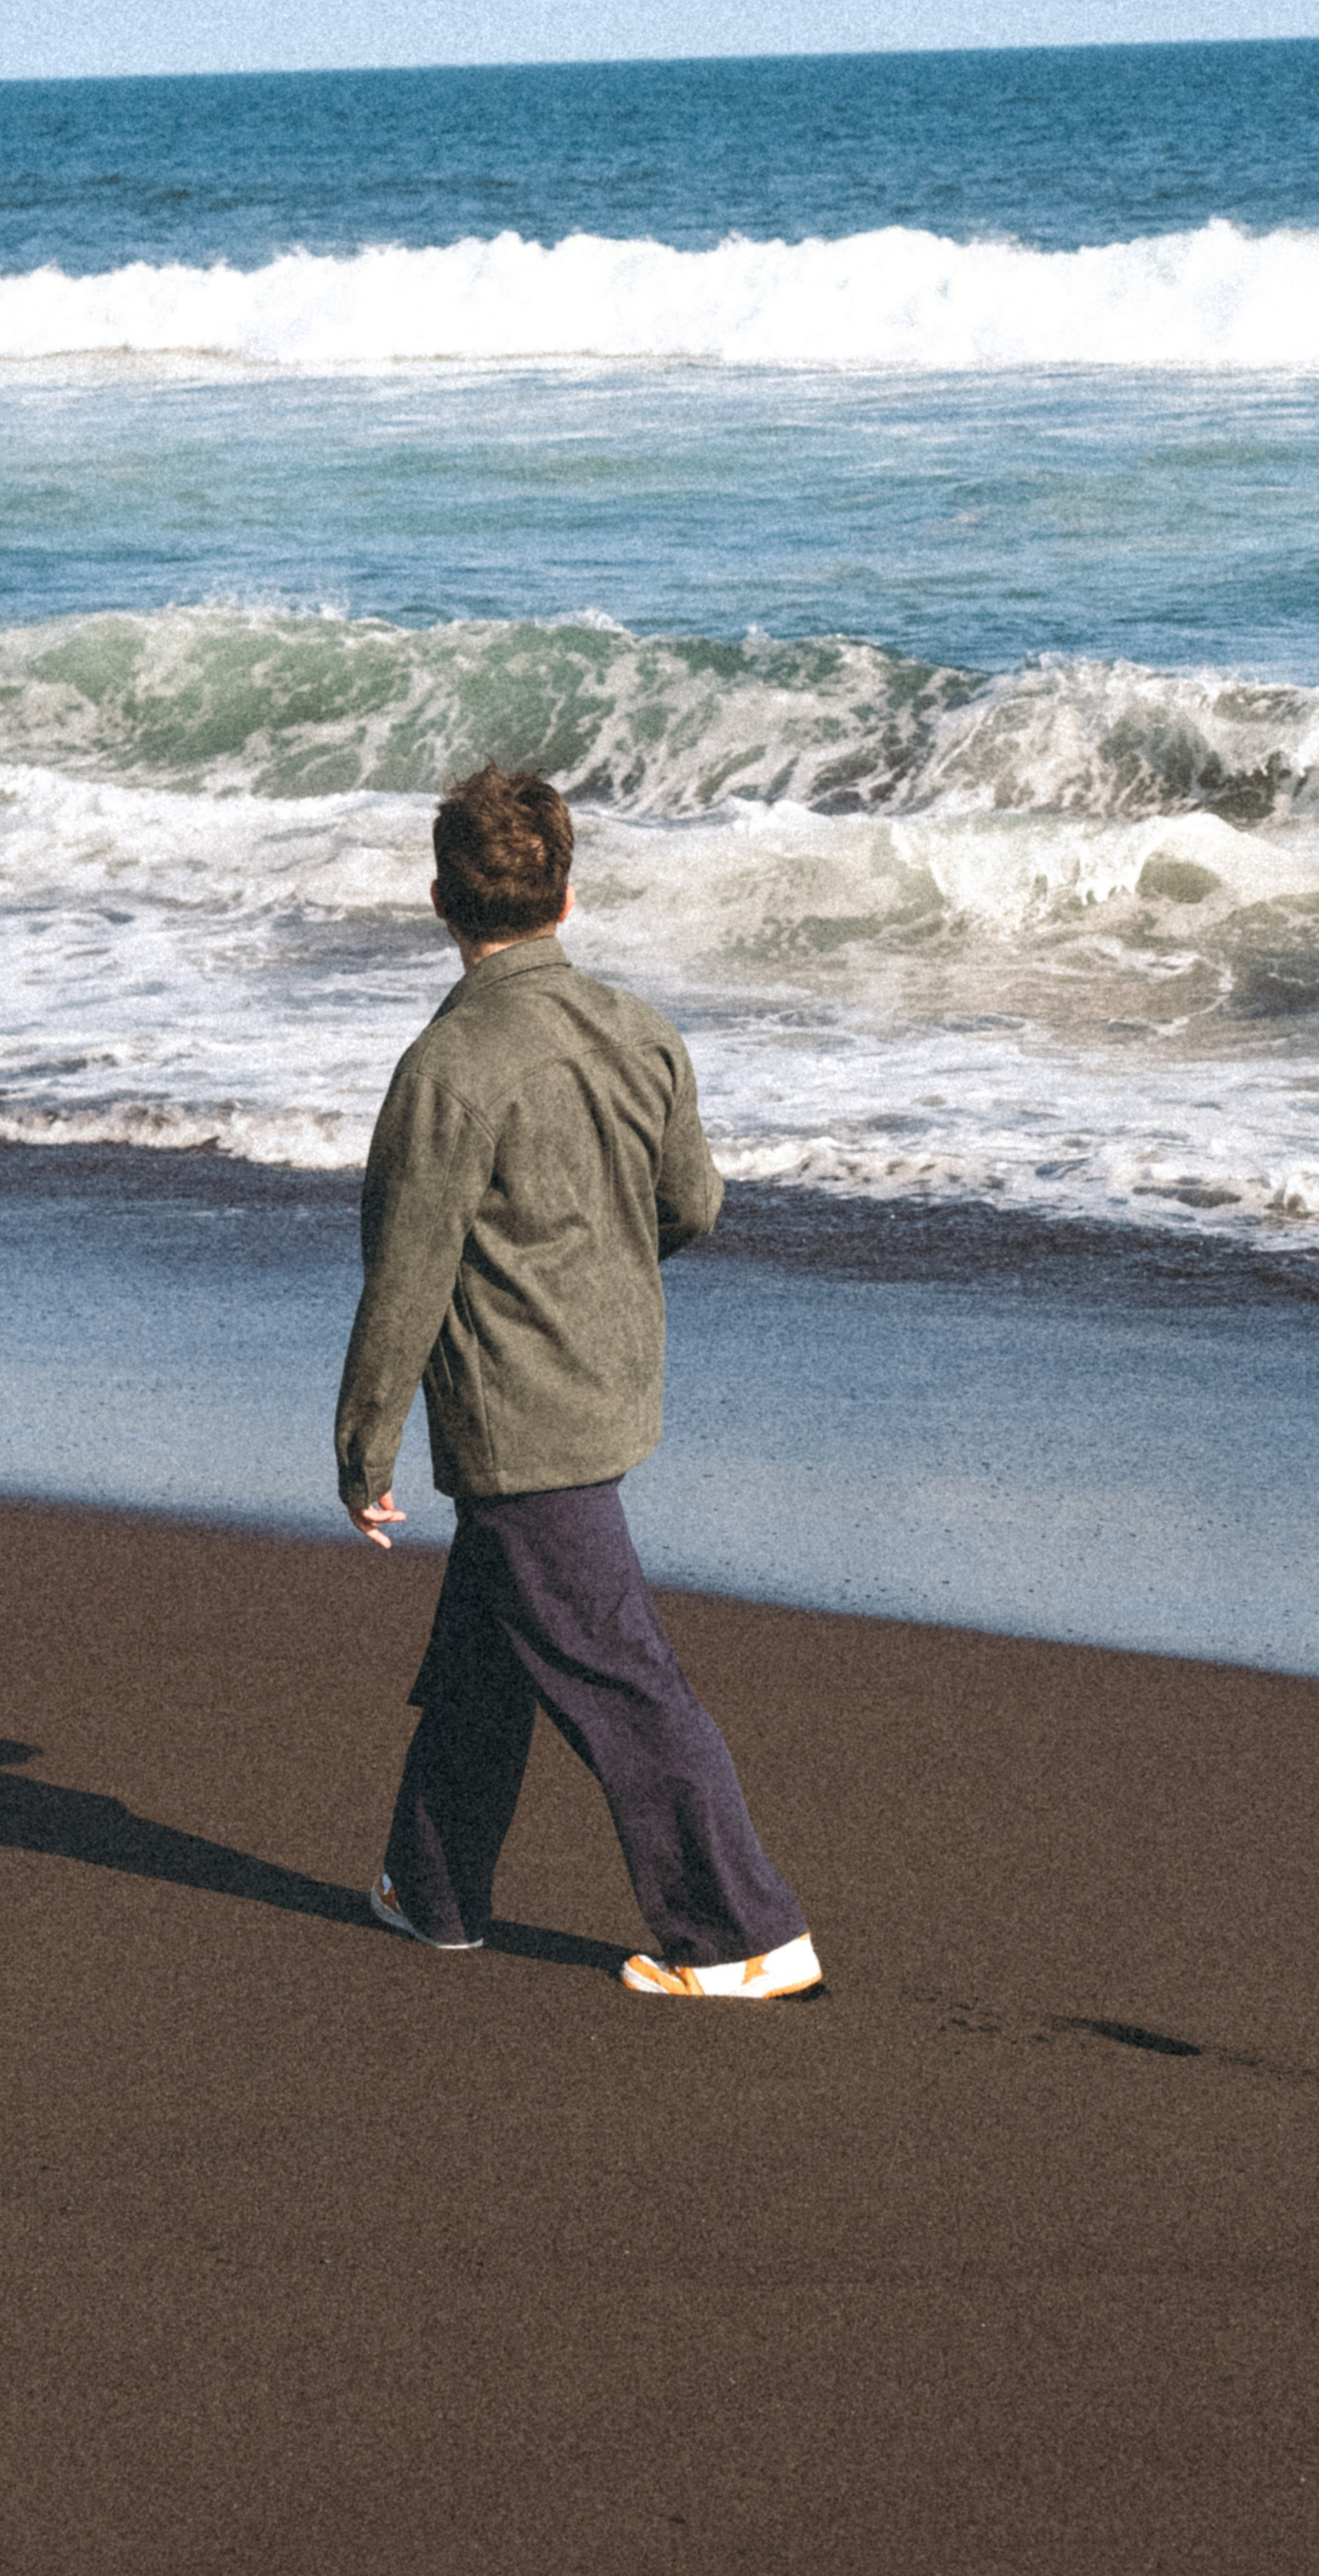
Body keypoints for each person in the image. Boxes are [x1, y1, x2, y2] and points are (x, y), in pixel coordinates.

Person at [335, 763, 821, 2000]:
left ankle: (743, 1936)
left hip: (521, 1421)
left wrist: (363, 1447)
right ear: (564, 894)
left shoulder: (449, 1066)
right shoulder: (640, 1029)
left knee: (618, 1673)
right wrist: (592, 1269)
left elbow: (407, 1275)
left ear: (441, 901)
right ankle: (432, 1889)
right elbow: (691, 1205)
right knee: (488, 1651)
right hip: (613, 1383)